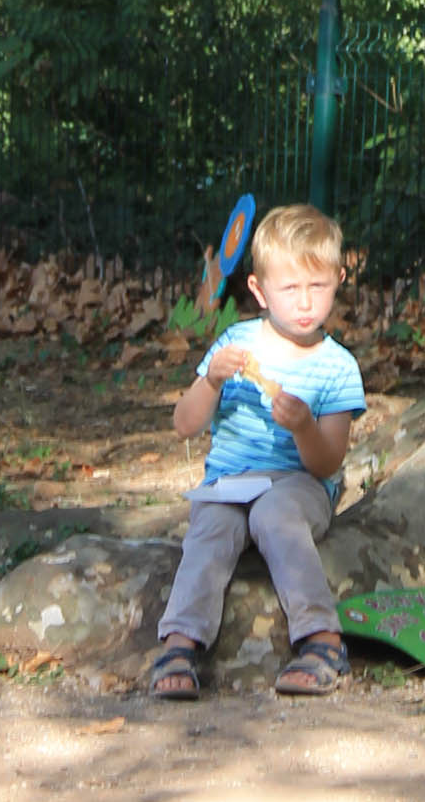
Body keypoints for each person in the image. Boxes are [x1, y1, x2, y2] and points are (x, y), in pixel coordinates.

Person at [150, 201, 365, 700]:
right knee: (211, 530)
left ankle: (322, 639)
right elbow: (184, 424)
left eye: (318, 286)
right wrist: (210, 380)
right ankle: (180, 643)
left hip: (299, 484)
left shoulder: (337, 367)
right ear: (259, 290)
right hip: (229, 482)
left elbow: (328, 462)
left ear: (339, 279)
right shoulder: (237, 343)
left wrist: (304, 427)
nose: (305, 302)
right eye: (290, 289)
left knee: (275, 516)